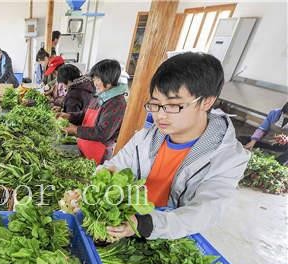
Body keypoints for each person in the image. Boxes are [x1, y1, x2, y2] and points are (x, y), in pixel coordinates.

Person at [103, 52, 249, 241]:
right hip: (127, 226)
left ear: (207, 101)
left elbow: (203, 212)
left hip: (171, 238)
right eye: (155, 104)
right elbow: (114, 168)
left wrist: (143, 224)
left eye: (173, 105)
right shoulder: (146, 138)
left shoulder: (227, 158)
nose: (160, 116)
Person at [59, 59, 127, 162]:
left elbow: (102, 133)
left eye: (97, 79)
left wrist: (75, 130)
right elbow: (85, 115)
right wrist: (68, 116)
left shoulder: (116, 103)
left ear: (108, 81)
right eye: (94, 79)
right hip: (84, 145)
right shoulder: (100, 95)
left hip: (97, 154)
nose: (94, 83)